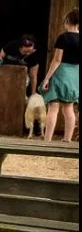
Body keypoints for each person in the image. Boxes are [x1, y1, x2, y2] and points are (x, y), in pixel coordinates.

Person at [40, 8, 79, 142]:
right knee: (69, 108)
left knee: (53, 107)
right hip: (75, 75)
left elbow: (57, 60)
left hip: (61, 73)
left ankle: (47, 141)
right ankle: (67, 140)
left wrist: (47, 78)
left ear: (67, 21)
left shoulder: (63, 37)